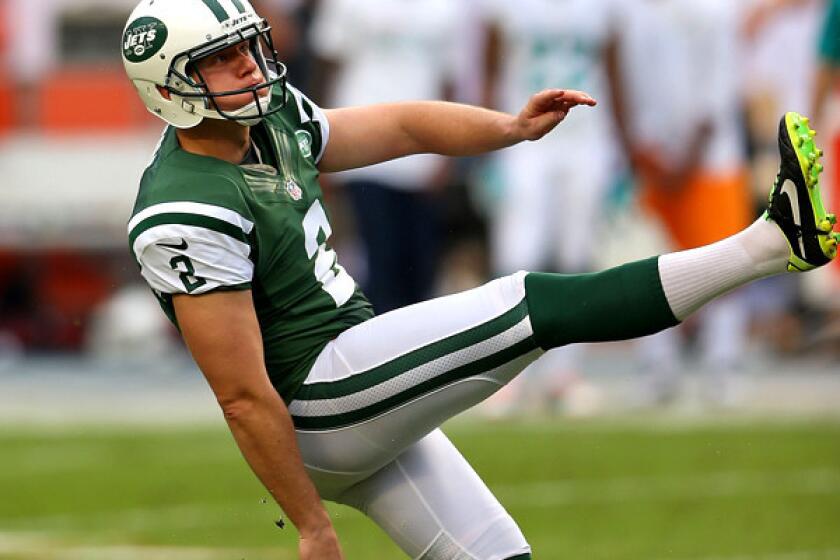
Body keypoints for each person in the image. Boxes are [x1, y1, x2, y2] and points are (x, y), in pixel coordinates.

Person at [122, 1, 839, 558]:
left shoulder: (267, 119)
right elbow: (245, 397)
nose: (250, 64)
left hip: (356, 379)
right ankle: (772, 242)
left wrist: (509, 128)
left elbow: (400, 125)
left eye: (249, 44)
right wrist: (310, 524)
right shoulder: (184, 211)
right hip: (315, 403)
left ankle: (773, 241)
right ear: (173, 87)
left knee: (497, 556)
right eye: (223, 57)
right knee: (526, 304)